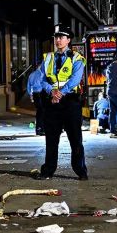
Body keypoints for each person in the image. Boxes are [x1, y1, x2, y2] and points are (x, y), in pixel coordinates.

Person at [32, 29, 88, 180]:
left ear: (68, 40)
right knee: (51, 139)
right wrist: (52, 92)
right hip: (52, 102)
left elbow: (75, 79)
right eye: (56, 37)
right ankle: (48, 171)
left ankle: (81, 171)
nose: (58, 40)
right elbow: (42, 79)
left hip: (70, 101)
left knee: (75, 139)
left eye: (62, 37)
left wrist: (60, 93)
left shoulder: (77, 58)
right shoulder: (48, 58)